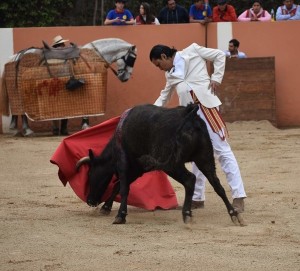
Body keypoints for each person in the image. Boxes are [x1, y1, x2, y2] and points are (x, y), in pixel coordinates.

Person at [149, 43, 247, 213]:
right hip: (189, 116)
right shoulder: (170, 75)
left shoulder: (192, 51)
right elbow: (164, 97)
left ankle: (238, 196)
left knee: (222, 150)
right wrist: (148, 114)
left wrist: (216, 77)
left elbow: (218, 55)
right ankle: (197, 198)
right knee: (195, 154)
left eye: (158, 64)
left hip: (206, 108)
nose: (159, 68)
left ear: (164, 57)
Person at [51, 35, 90, 136]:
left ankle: (60, 129)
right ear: (57, 46)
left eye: (63, 44)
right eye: (61, 44)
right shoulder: (58, 56)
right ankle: (58, 129)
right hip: (57, 83)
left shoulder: (60, 56)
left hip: (60, 82)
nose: (63, 46)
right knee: (58, 107)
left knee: (62, 107)